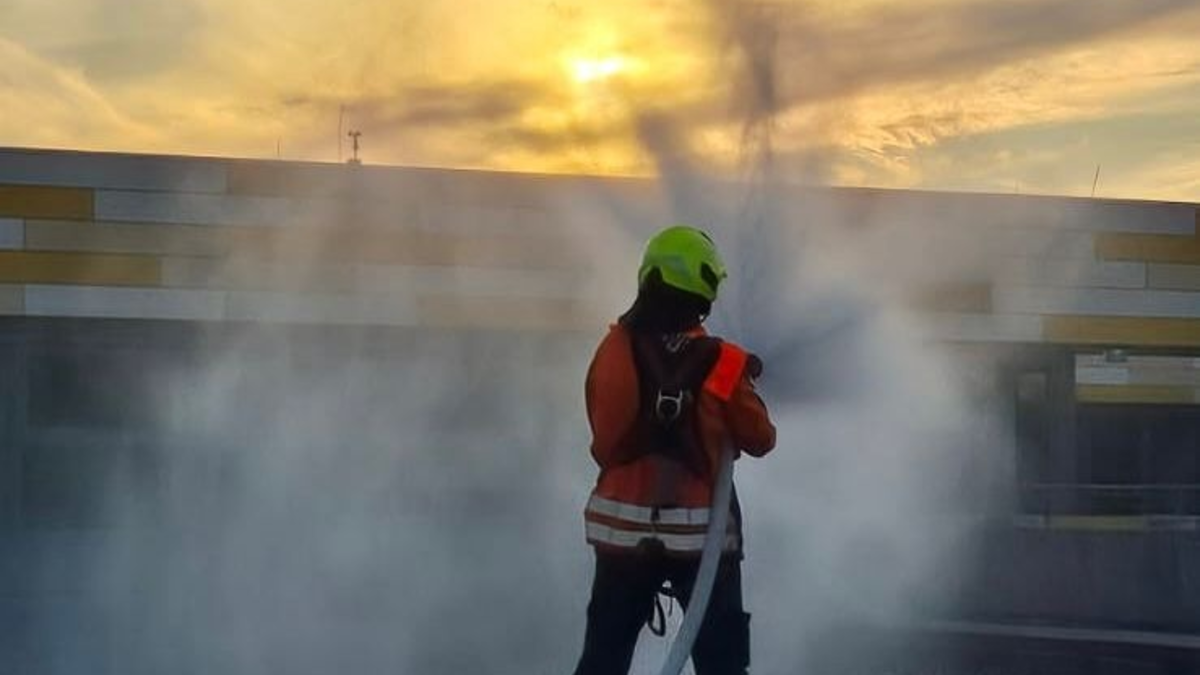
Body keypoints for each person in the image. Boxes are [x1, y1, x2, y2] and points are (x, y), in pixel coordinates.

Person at [573, 225, 776, 675]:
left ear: (649, 277)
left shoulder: (613, 349)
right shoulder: (724, 363)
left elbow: (604, 442)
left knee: (603, 659)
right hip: (700, 545)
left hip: (621, 540)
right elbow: (761, 438)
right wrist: (744, 385)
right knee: (721, 664)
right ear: (705, 289)